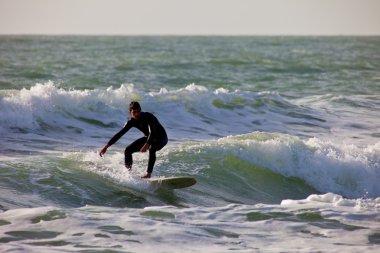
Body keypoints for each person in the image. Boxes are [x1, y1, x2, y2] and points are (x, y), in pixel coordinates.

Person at [99, 101, 168, 178]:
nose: (137, 114)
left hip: (162, 138)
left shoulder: (148, 116)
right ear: (130, 112)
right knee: (128, 150)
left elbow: (152, 132)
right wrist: (106, 147)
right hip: (149, 138)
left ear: (141, 109)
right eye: (134, 112)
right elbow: (119, 134)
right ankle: (128, 174)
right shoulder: (131, 122)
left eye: (138, 111)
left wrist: (146, 144)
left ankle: (148, 174)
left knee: (152, 148)